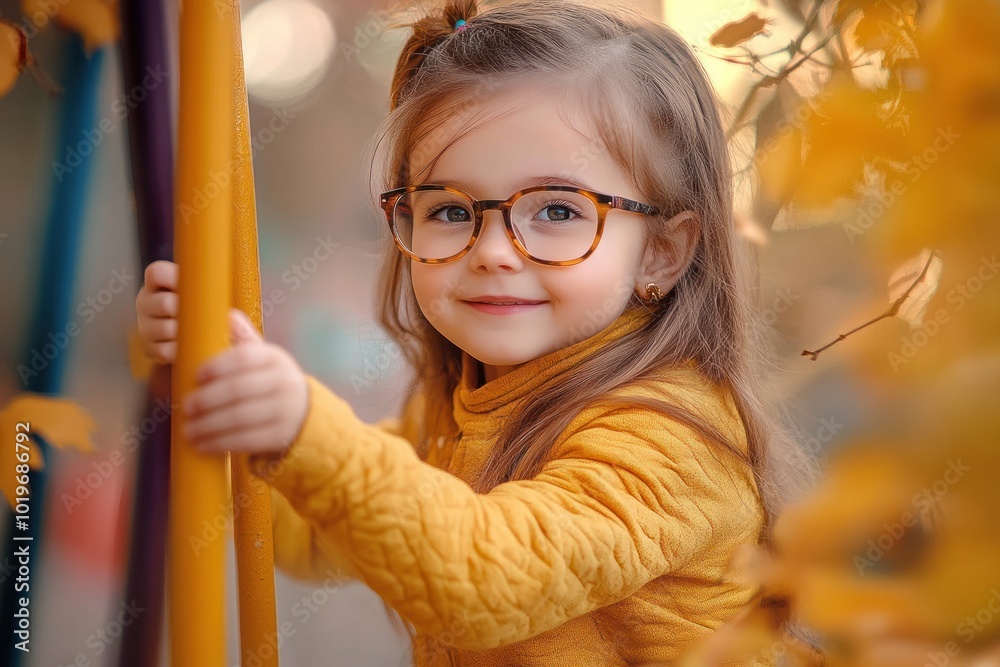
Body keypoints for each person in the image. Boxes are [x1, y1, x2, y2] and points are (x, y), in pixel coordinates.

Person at [135, 0, 812, 664]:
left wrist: (304, 428)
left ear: (661, 250)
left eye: (555, 209)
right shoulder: (457, 405)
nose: (493, 249)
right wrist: (212, 381)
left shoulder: (672, 437)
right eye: (452, 210)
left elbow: (485, 577)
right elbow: (310, 527)